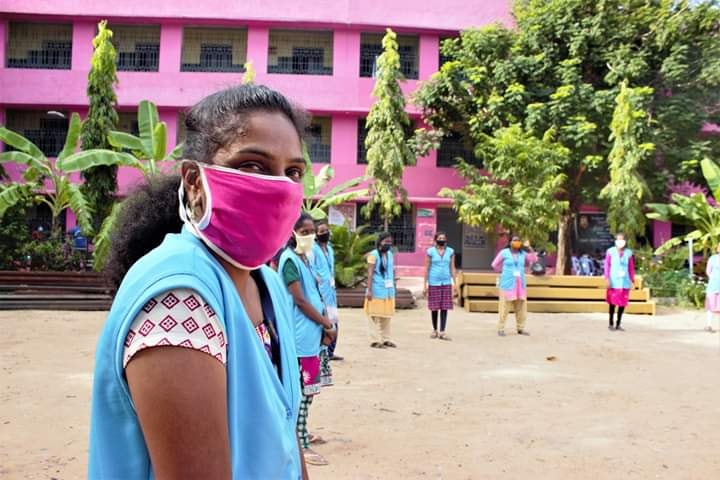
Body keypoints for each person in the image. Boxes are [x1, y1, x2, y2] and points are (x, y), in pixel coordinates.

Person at [88, 84, 311, 479]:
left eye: (292, 172)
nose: (279, 187)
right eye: (253, 166)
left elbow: (286, 431)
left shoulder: (268, 284)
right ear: (194, 181)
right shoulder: (178, 297)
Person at [279, 212, 336, 467]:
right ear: (292, 233)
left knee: (310, 391)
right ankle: (300, 443)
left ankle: (302, 432)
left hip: (312, 334)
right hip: (300, 336)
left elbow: (314, 293)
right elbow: (300, 300)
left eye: (312, 231)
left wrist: (325, 325)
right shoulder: (289, 260)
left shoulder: (307, 258)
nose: (310, 236)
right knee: (301, 393)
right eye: (304, 232)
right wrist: (325, 323)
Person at [491, 235, 537, 337]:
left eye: (518, 241)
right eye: (515, 240)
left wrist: (529, 248)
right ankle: (501, 328)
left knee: (521, 307)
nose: (517, 242)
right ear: (510, 242)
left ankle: (520, 328)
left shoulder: (522, 254)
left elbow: (534, 259)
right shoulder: (504, 252)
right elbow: (494, 264)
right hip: (507, 284)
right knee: (504, 307)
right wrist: (504, 272)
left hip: (520, 284)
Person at [313, 220, 343, 360]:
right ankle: (323, 352)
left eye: (326, 231)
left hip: (331, 291)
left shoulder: (330, 249)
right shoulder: (313, 250)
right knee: (324, 322)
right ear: (316, 234)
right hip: (320, 292)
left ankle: (331, 351)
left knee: (334, 321)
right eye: (321, 232)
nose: (325, 233)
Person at [365, 232, 397, 348]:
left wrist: (394, 286)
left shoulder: (390, 255)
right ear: (380, 242)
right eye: (386, 241)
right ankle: (374, 340)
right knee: (373, 315)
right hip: (376, 288)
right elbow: (370, 273)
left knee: (386, 315)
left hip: (388, 290)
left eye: (390, 242)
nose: (388, 244)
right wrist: (369, 290)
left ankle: (386, 339)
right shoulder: (373, 255)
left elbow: (391, 271)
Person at [423, 231, 457, 340]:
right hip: (433, 282)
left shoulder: (450, 252)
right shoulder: (430, 252)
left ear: (446, 240)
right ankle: (434, 330)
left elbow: (452, 268)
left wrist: (455, 283)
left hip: (446, 282)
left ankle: (442, 331)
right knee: (434, 307)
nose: (441, 240)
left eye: (443, 238)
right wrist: (424, 285)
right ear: (435, 240)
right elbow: (426, 268)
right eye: (440, 238)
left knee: (444, 307)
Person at [604, 233, 635, 331]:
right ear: (615, 241)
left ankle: (618, 324)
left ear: (625, 241)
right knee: (612, 303)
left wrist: (632, 280)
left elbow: (631, 268)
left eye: (622, 240)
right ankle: (611, 323)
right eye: (618, 240)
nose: (620, 242)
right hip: (613, 281)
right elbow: (607, 265)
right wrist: (607, 278)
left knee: (622, 303)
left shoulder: (628, 253)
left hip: (624, 281)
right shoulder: (610, 251)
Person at [704, 244, 720, 333]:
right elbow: (708, 271)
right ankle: (708, 325)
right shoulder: (712, 258)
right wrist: (713, 278)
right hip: (713, 285)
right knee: (710, 306)